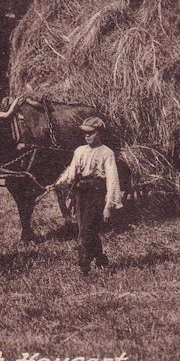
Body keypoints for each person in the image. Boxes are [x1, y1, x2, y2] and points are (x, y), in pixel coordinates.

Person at [52, 116, 123, 275]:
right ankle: (100, 258)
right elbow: (71, 172)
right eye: (85, 133)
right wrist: (58, 184)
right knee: (86, 228)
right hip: (81, 194)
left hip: (97, 194)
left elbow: (112, 180)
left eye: (91, 133)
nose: (87, 136)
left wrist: (108, 205)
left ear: (99, 133)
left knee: (85, 231)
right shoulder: (80, 151)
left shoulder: (107, 153)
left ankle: (84, 266)